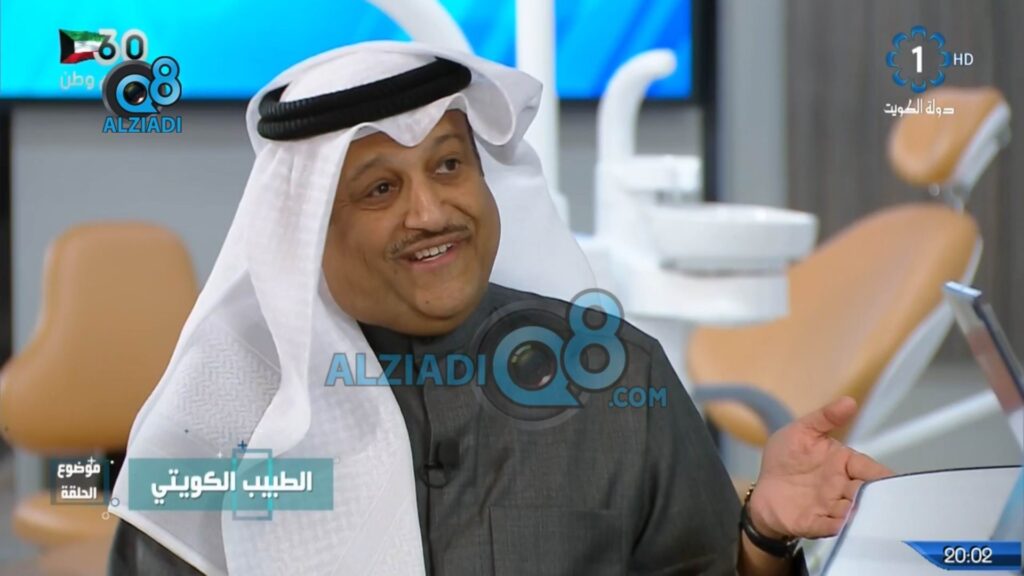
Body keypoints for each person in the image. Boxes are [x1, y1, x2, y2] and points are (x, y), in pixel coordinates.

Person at [107, 42, 890, 575]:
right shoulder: (216, 419)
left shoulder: (616, 380)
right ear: (308, 228)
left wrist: (761, 536)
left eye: (450, 166)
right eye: (380, 189)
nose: (430, 212)